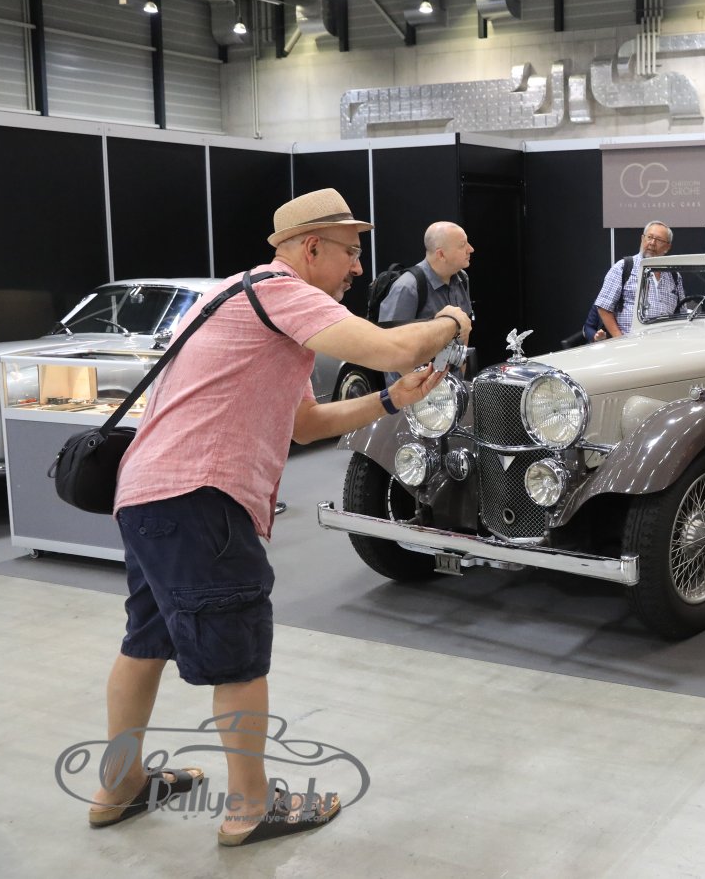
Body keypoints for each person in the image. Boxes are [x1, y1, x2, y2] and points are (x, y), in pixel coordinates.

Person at [94, 189, 473, 847]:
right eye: (351, 252)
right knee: (238, 655)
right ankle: (250, 808)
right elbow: (393, 345)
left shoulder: (244, 297)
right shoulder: (284, 292)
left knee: (145, 640)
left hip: (150, 495)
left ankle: (118, 784)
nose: (358, 267)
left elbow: (305, 424)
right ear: (312, 248)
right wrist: (450, 321)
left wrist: (390, 401)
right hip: (202, 497)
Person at [377, 221, 474, 384]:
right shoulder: (407, 287)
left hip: (451, 387)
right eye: (462, 245)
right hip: (417, 389)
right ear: (441, 254)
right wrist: (420, 390)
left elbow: (464, 333)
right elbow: (389, 349)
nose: (470, 249)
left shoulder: (462, 279)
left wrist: (459, 380)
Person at [593, 221, 687, 338]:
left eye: (659, 240)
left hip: (664, 344)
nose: (652, 243)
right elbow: (604, 307)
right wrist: (620, 339)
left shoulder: (674, 275)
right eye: (649, 237)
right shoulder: (623, 267)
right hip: (632, 343)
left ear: (667, 247)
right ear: (642, 239)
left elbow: (682, 313)